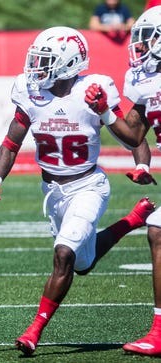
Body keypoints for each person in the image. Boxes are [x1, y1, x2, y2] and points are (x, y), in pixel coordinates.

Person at [0, 26, 155, 357]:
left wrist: (139, 162)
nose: (36, 68)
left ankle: (33, 332)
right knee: (81, 263)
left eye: (45, 61)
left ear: (69, 63)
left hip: (88, 185)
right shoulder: (30, 92)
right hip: (53, 191)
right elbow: (11, 142)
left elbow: (135, 137)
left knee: (64, 255)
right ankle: (132, 219)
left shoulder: (93, 90)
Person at [116, 5, 161, 357]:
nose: (141, 48)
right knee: (158, 230)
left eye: (148, 40)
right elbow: (133, 133)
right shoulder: (148, 79)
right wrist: (104, 110)